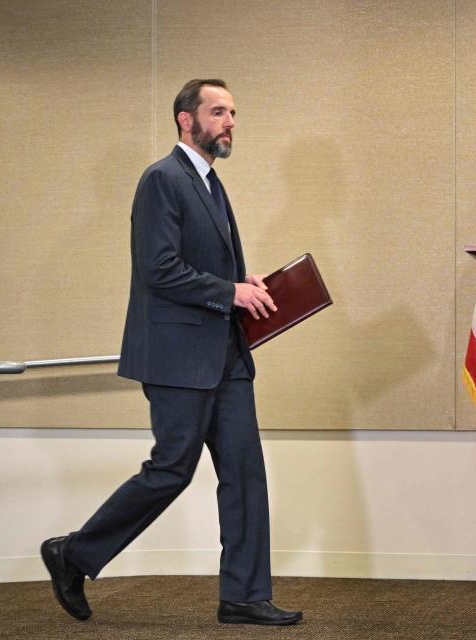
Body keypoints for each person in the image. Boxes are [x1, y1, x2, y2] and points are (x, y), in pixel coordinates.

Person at [40, 79, 302, 626]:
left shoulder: (210, 182)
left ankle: (244, 596)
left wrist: (241, 280)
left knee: (246, 474)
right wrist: (229, 291)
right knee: (171, 470)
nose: (230, 121)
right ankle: (74, 553)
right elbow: (157, 268)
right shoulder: (162, 179)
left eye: (233, 112)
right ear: (187, 120)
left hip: (225, 355)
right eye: (218, 111)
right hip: (178, 356)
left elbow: (199, 263)